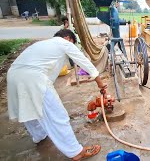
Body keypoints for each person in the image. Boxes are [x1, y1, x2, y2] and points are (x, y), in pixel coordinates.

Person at [7, 29, 104, 160]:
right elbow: (84, 61)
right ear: (68, 38)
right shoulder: (64, 43)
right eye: (72, 43)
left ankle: (39, 136)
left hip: (13, 75)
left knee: (28, 110)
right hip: (33, 78)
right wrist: (100, 83)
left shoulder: (41, 45)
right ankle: (76, 152)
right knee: (58, 115)